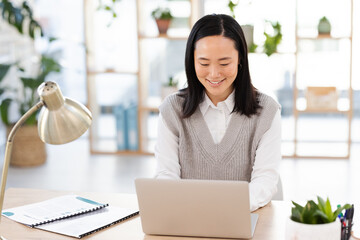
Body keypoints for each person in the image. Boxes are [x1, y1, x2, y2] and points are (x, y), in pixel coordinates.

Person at [154, 14, 281, 212]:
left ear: (240, 59)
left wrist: (224, 210)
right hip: (189, 219)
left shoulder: (267, 111)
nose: (214, 74)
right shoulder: (172, 109)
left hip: (244, 219)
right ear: (192, 61)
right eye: (204, 63)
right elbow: (166, 174)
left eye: (224, 63)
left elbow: (265, 180)